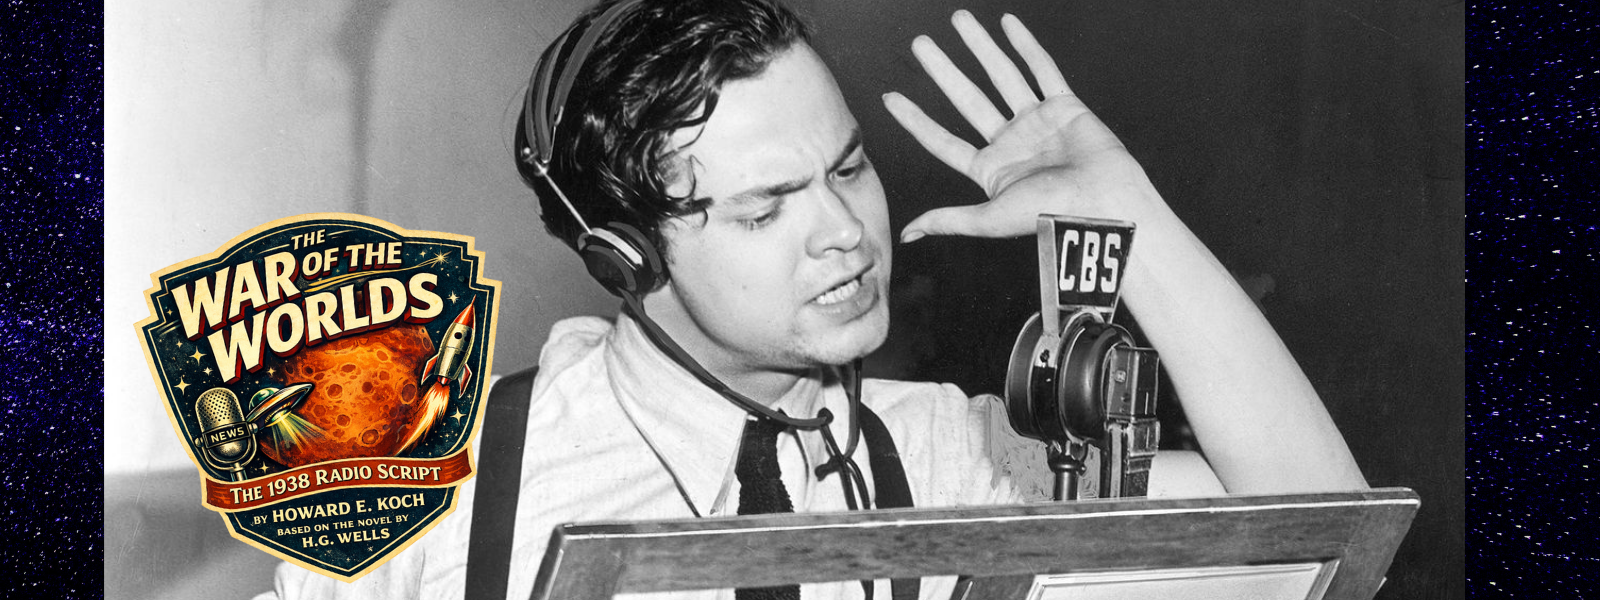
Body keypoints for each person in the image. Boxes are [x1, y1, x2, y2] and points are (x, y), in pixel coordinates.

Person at [258, 0, 1367, 598]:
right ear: (621, 257)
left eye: (846, 170)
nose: (845, 233)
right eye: (765, 207)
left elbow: (1317, 531)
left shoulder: (948, 457)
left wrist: (1140, 238)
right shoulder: (432, 481)